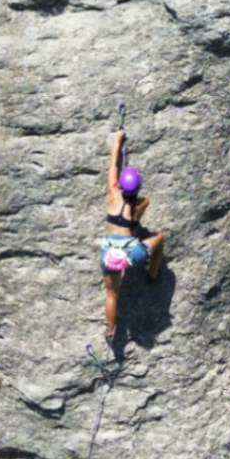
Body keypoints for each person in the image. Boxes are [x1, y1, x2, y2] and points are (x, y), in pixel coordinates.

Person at [100, 130, 164, 341]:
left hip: (110, 253)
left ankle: (111, 333)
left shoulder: (112, 193)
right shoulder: (137, 207)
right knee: (159, 238)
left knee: (112, 295)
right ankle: (153, 276)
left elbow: (113, 167)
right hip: (131, 254)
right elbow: (145, 201)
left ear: (119, 185)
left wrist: (117, 140)